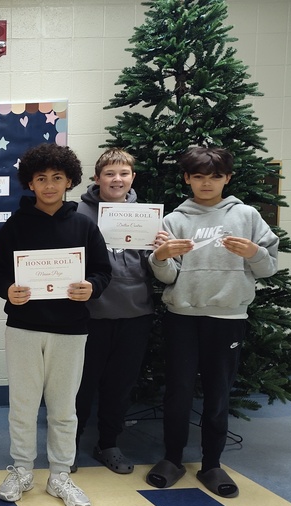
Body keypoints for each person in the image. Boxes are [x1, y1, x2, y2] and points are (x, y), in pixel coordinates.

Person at [145, 146, 278, 498]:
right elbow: (167, 276)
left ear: (227, 178)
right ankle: (172, 459)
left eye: (215, 176)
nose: (207, 183)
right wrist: (160, 257)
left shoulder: (247, 215)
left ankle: (212, 464)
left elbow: (269, 268)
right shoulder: (174, 220)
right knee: (178, 391)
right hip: (182, 318)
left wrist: (255, 253)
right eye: (199, 176)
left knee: (218, 392)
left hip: (228, 317)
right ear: (187, 178)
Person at [0, 144, 112, 506]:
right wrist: (7, 289)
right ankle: (22, 470)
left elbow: (103, 271)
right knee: (22, 406)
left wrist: (92, 287)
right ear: (30, 183)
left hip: (71, 329)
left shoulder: (84, 225)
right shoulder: (15, 225)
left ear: (69, 181)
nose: (50, 185)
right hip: (24, 328)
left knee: (63, 408)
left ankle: (60, 474)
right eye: (41, 179)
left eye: (57, 178)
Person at [74, 149, 168, 474]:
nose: (117, 179)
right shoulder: (79, 214)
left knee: (120, 386)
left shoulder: (147, 217)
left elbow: (154, 268)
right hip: (90, 316)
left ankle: (108, 444)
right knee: (81, 386)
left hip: (135, 314)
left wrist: (161, 251)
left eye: (124, 173)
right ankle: (68, 446)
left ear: (132, 177)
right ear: (97, 178)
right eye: (110, 173)